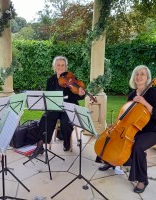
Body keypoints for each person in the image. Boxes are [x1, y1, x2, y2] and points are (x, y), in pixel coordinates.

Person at [97, 65, 156, 193]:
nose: (139, 76)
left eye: (142, 74)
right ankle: (111, 160)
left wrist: (144, 102)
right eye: (137, 74)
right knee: (112, 139)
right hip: (132, 128)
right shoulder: (131, 94)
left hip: (151, 130)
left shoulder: (153, 93)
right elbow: (126, 115)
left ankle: (142, 180)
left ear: (147, 78)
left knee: (138, 146)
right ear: (134, 77)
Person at [30, 56, 85, 159]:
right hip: (54, 106)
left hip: (68, 106)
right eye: (58, 65)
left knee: (66, 122)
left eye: (62, 65)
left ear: (66, 67)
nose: (60, 67)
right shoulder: (50, 80)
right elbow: (48, 96)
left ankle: (67, 142)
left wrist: (81, 94)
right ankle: (40, 145)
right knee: (46, 118)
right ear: (54, 67)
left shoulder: (71, 79)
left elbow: (77, 95)